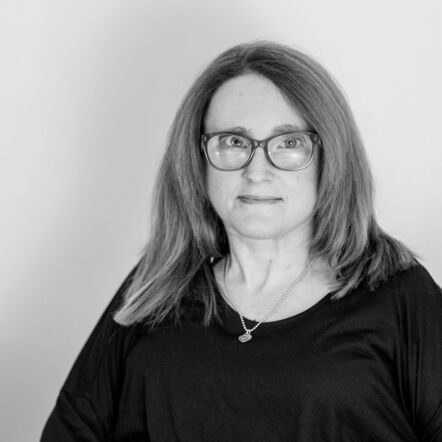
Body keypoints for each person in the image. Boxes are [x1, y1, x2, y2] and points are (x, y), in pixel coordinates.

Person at [41, 41, 442, 441]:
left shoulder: (400, 297)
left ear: (330, 157)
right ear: (198, 158)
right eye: (234, 142)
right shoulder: (155, 288)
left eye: (288, 143)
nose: (257, 170)